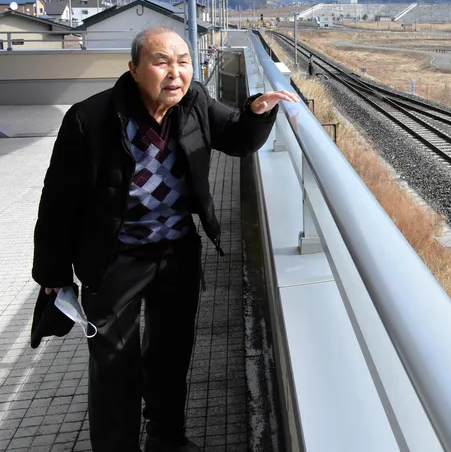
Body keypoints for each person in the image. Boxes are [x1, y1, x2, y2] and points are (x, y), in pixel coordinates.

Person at [31, 26, 297, 452]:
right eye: (161, 62)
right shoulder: (90, 119)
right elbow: (58, 202)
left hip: (176, 252)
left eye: (183, 61)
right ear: (134, 69)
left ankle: (165, 437)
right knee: (114, 363)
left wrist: (258, 110)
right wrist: (52, 272)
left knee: (171, 354)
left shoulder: (194, 105)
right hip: (113, 259)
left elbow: (236, 137)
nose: (176, 72)